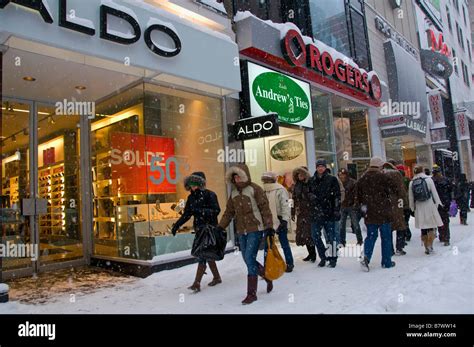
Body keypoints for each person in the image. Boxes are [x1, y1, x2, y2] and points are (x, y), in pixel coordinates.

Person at [217, 163, 274, 305]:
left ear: (245, 176)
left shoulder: (255, 189)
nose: (237, 180)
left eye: (239, 177)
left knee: (249, 257)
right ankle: (266, 276)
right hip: (241, 230)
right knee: (246, 258)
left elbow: (265, 209)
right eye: (234, 177)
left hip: (255, 228)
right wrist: (220, 227)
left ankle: (251, 294)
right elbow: (229, 212)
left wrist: (269, 226)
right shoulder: (234, 193)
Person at [171, 172, 221, 292]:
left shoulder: (210, 194)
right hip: (199, 229)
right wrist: (176, 225)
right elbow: (187, 214)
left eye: (195, 183)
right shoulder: (191, 197)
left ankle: (197, 283)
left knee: (202, 254)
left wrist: (200, 211)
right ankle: (217, 277)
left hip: (209, 229)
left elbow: (216, 211)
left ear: (201, 183)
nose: (193, 186)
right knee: (206, 254)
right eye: (191, 184)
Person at [355, 156, 396, 271]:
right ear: (380, 166)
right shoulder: (383, 177)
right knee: (386, 237)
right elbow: (393, 189)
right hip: (383, 212)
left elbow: (358, 196)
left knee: (371, 236)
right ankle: (387, 261)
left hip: (370, 213)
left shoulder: (362, 178)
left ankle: (366, 257)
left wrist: (363, 209)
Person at [308, 159, 341, 268]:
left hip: (329, 211)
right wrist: (310, 197)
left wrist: (336, 209)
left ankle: (333, 258)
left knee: (331, 237)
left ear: (325, 167)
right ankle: (323, 256)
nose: (320, 168)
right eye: (318, 166)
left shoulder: (332, 179)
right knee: (315, 235)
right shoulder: (312, 180)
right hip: (316, 212)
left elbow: (337, 195)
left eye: (322, 166)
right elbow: (308, 193)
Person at [261, 171, 294, 273]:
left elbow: (285, 205)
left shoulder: (280, 189)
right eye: (265, 180)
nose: (266, 181)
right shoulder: (262, 190)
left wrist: (284, 220)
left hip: (279, 220)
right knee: (268, 245)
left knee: (283, 242)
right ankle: (268, 265)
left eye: (267, 179)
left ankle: (289, 263)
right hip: (268, 220)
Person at [409, 165, 443, 255]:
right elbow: (434, 193)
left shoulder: (412, 182)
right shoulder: (428, 180)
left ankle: (425, 246)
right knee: (431, 226)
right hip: (429, 205)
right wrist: (438, 203)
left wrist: (412, 207)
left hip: (419, 206)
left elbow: (411, 197)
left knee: (423, 228)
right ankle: (430, 245)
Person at [382, 161, 408, 256]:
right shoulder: (396, 174)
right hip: (396, 203)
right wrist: (404, 202)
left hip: (385, 204)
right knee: (400, 225)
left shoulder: (381, 174)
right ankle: (399, 247)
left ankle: (390, 249)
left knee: (388, 228)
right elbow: (401, 189)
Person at [292, 166, 316, 262]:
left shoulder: (310, 183)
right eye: (298, 174)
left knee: (308, 234)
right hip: (300, 212)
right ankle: (310, 253)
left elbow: (314, 197)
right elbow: (293, 199)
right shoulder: (296, 185)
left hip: (309, 211)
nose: (300, 176)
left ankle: (313, 254)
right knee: (302, 234)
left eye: (302, 174)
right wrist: (292, 211)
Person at [338, 168, 363, 246]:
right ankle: (342, 241)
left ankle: (359, 240)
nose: (342, 176)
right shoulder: (338, 182)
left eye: (343, 174)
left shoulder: (352, 182)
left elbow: (356, 194)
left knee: (355, 224)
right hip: (342, 205)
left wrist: (355, 203)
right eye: (340, 175)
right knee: (341, 225)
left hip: (351, 205)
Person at [432, 166, 454, 246]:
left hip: (436, 203)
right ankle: (446, 237)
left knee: (439, 220)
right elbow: (451, 190)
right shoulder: (445, 180)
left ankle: (443, 236)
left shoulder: (432, 181)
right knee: (444, 220)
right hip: (444, 202)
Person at [397, 165, 412, 242]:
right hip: (407, 203)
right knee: (406, 220)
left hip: (399, 204)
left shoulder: (396, 180)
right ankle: (407, 233)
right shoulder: (407, 180)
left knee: (402, 221)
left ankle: (405, 234)